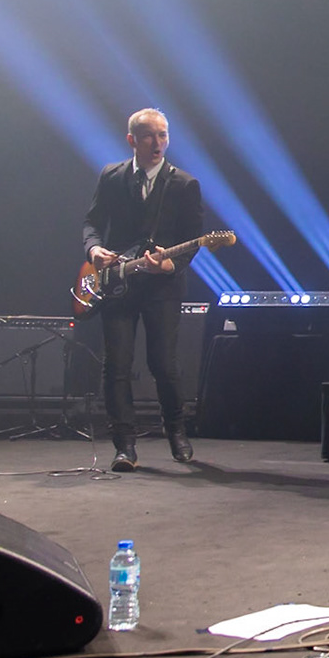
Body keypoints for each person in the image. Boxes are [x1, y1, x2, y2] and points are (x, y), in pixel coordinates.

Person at [82, 108, 204, 471]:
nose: (158, 143)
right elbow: (91, 221)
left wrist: (169, 264)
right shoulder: (112, 175)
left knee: (163, 365)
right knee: (116, 366)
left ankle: (177, 432)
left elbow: (194, 239)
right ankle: (124, 446)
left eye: (163, 135)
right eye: (150, 135)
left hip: (161, 286)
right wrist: (94, 250)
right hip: (117, 284)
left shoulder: (183, 184)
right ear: (132, 139)